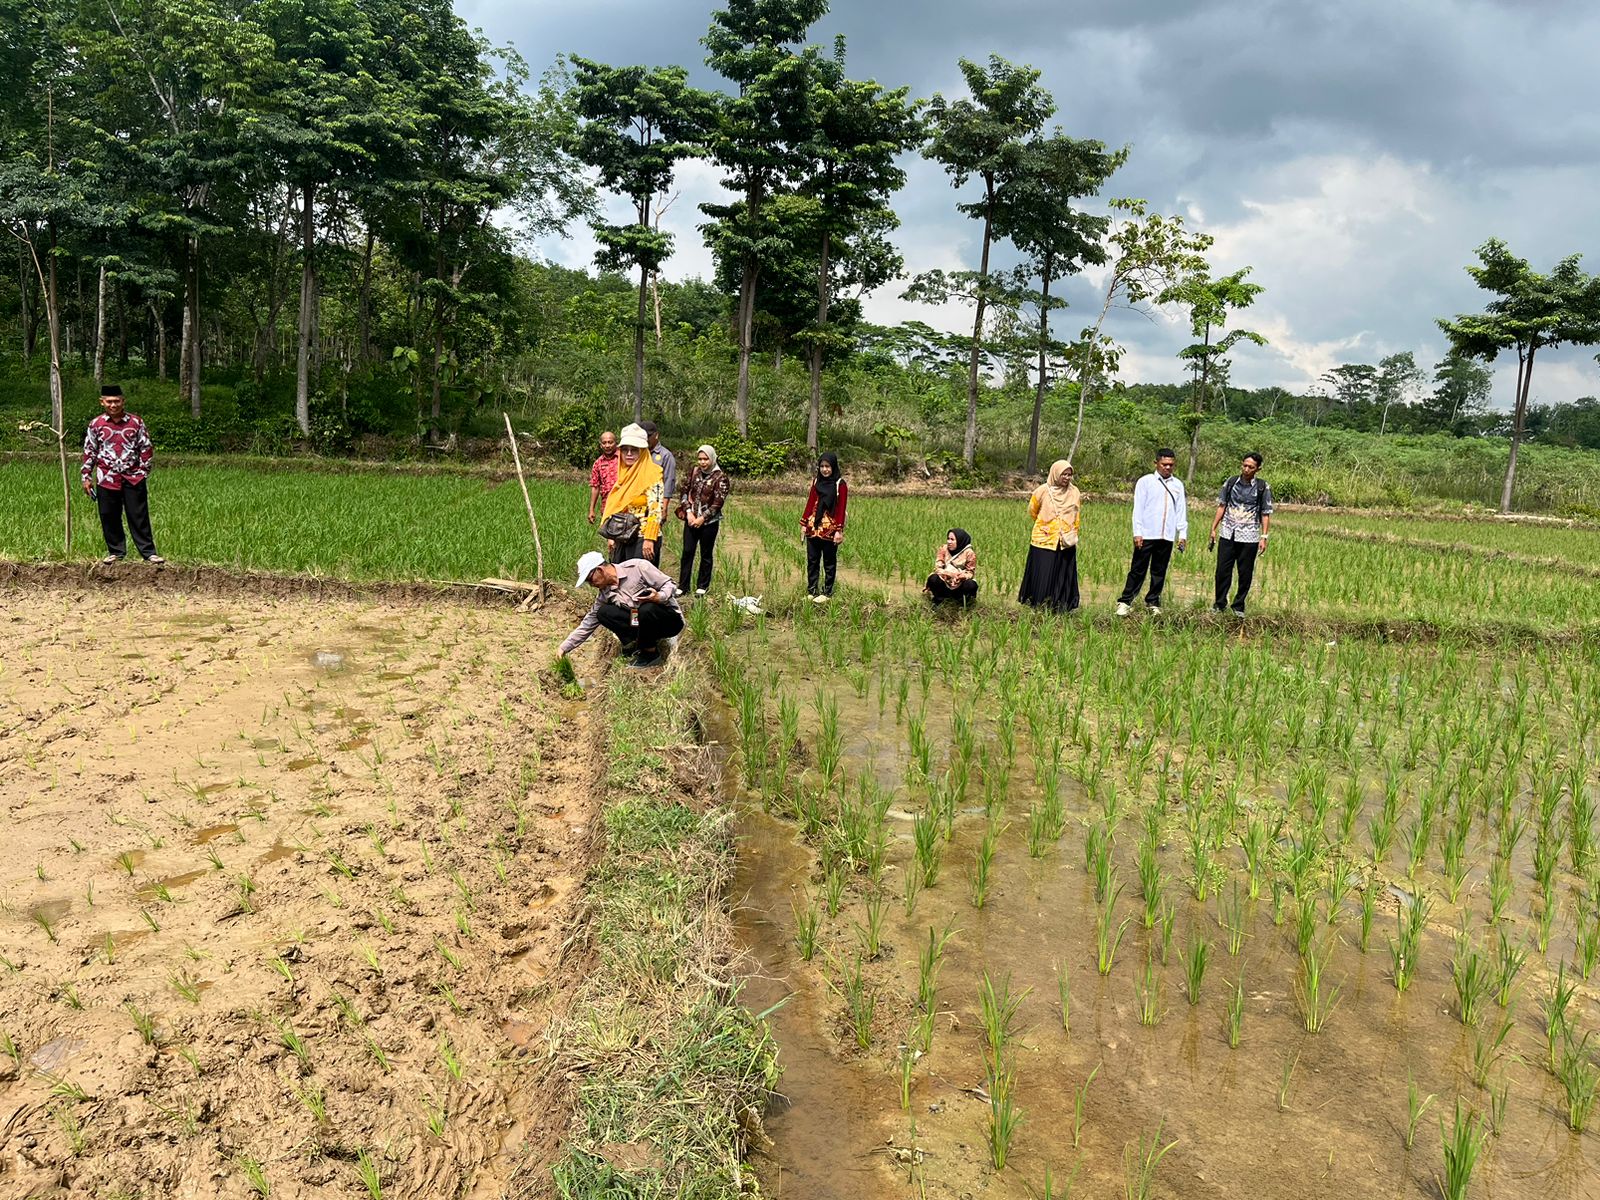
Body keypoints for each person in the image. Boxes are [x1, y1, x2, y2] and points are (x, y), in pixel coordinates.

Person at [82, 384, 165, 566]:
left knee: (138, 515)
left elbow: (146, 447)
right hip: (106, 477)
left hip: (133, 477)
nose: (113, 405)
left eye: (117, 401)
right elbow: (90, 451)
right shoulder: (96, 424)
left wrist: (143, 472)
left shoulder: (136, 423)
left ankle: (148, 553)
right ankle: (116, 552)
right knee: (108, 515)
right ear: (102, 402)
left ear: (123, 401)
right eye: (109, 402)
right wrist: (86, 476)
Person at [558, 551, 683, 669]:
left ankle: (650, 654)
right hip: (640, 621)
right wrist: (564, 648)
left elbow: (670, 584)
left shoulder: (637, 567)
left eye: (590, 580)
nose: (591, 584)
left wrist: (659, 597)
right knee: (604, 613)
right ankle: (635, 645)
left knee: (646, 609)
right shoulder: (605, 593)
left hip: (669, 620)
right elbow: (588, 623)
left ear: (600, 570)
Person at [1116, 448, 1187, 616]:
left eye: (1171, 465)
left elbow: (1181, 511)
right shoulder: (1145, 482)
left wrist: (1182, 534)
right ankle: (1125, 601)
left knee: (1159, 570)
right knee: (1138, 569)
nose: (1168, 468)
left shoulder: (1178, 485)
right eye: (1164, 464)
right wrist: (1137, 532)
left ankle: (1153, 601)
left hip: (1166, 535)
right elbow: (1138, 509)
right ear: (1156, 463)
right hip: (1147, 534)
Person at [1208, 451, 1274, 615]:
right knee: (1222, 571)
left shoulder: (1262, 487)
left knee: (1245, 573)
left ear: (1258, 469)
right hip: (1228, 532)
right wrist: (1213, 528)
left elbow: (1265, 513)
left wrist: (1264, 537)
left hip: (1249, 536)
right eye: (1244, 465)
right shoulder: (1231, 482)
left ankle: (1238, 606)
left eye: (1251, 467)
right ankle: (1219, 604)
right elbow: (1222, 506)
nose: (1246, 469)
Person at [1018, 460, 1080, 612]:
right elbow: (1033, 511)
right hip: (1044, 540)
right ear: (1055, 474)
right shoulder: (1042, 491)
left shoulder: (1074, 492)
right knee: (1043, 574)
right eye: (1064, 474)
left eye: (1069, 475)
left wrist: (1071, 532)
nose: (1067, 478)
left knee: (1062, 574)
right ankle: (1039, 605)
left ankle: (1060, 606)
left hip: (1066, 540)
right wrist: (1047, 526)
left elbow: (1076, 515)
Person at [599, 424, 664, 564]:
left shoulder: (653, 474)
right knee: (619, 575)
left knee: (639, 576)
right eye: (625, 450)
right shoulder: (622, 474)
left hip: (642, 537)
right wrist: (611, 535)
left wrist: (649, 539)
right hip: (622, 535)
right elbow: (617, 507)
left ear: (642, 452)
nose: (629, 454)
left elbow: (656, 510)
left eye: (634, 450)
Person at [677, 444, 730, 596]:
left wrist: (702, 518)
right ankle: (683, 585)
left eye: (705, 459)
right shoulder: (694, 472)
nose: (702, 462)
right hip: (691, 519)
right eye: (700, 459)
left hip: (709, 523)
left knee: (706, 554)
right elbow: (684, 492)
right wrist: (688, 512)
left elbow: (718, 503)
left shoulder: (720, 477)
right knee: (687, 552)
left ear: (712, 459)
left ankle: (702, 586)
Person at [800, 452, 847, 603]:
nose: (825, 469)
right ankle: (812, 591)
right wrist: (803, 524)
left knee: (829, 562)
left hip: (830, 529)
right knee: (812, 561)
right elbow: (810, 503)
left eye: (828, 466)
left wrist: (839, 530)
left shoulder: (840, 484)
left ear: (833, 467)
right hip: (813, 527)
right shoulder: (816, 482)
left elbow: (841, 508)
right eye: (822, 466)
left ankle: (827, 593)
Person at [640, 421, 676, 566]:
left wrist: (664, 508)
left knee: (652, 540)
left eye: (648, 436)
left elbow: (669, 482)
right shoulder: (638, 452)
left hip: (656, 505)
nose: (646, 440)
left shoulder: (665, 456)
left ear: (656, 435)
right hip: (639, 506)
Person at [926, 528, 978, 607]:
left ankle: (963, 604)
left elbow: (970, 572)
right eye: (948, 539)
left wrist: (961, 576)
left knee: (971, 584)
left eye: (952, 539)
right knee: (933, 578)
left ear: (960, 541)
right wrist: (949, 574)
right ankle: (938, 601)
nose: (949, 542)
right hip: (944, 583)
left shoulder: (969, 553)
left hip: (959, 585)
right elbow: (937, 568)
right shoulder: (944, 549)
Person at [586, 430, 619, 525]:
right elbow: (595, 487)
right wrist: (591, 510)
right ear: (600, 445)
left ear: (616, 443)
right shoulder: (598, 463)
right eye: (604, 443)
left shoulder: (624, 458)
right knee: (608, 533)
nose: (607, 445)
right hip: (607, 507)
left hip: (624, 505)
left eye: (610, 442)